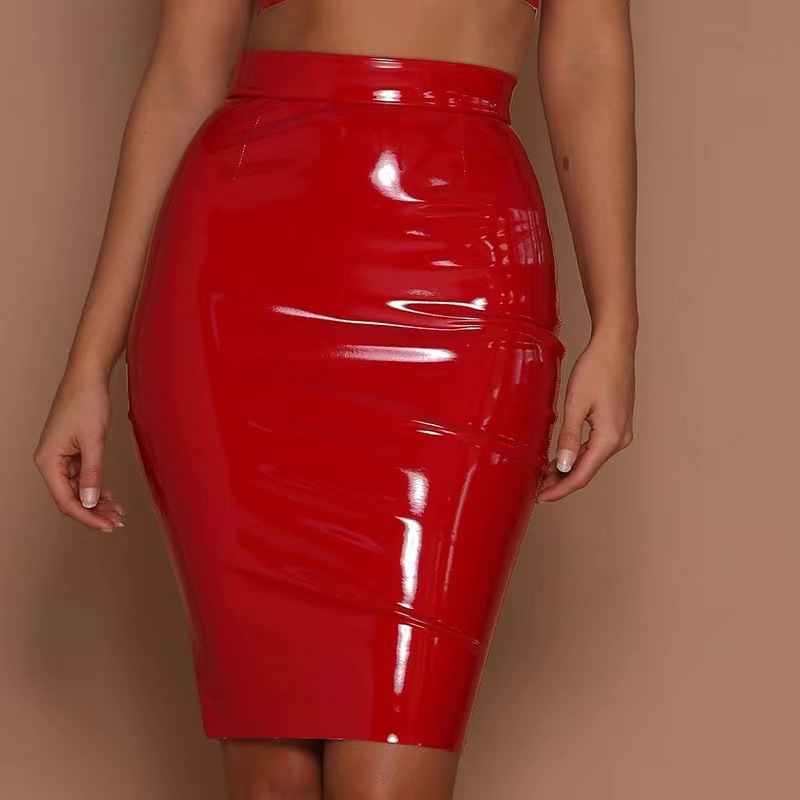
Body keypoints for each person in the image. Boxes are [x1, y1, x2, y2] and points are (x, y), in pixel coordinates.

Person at [33, 0, 637, 797]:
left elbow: (588, 56)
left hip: (461, 278)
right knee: (270, 775)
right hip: (242, 270)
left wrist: (617, 325)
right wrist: (87, 364)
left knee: (395, 766)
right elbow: (183, 78)